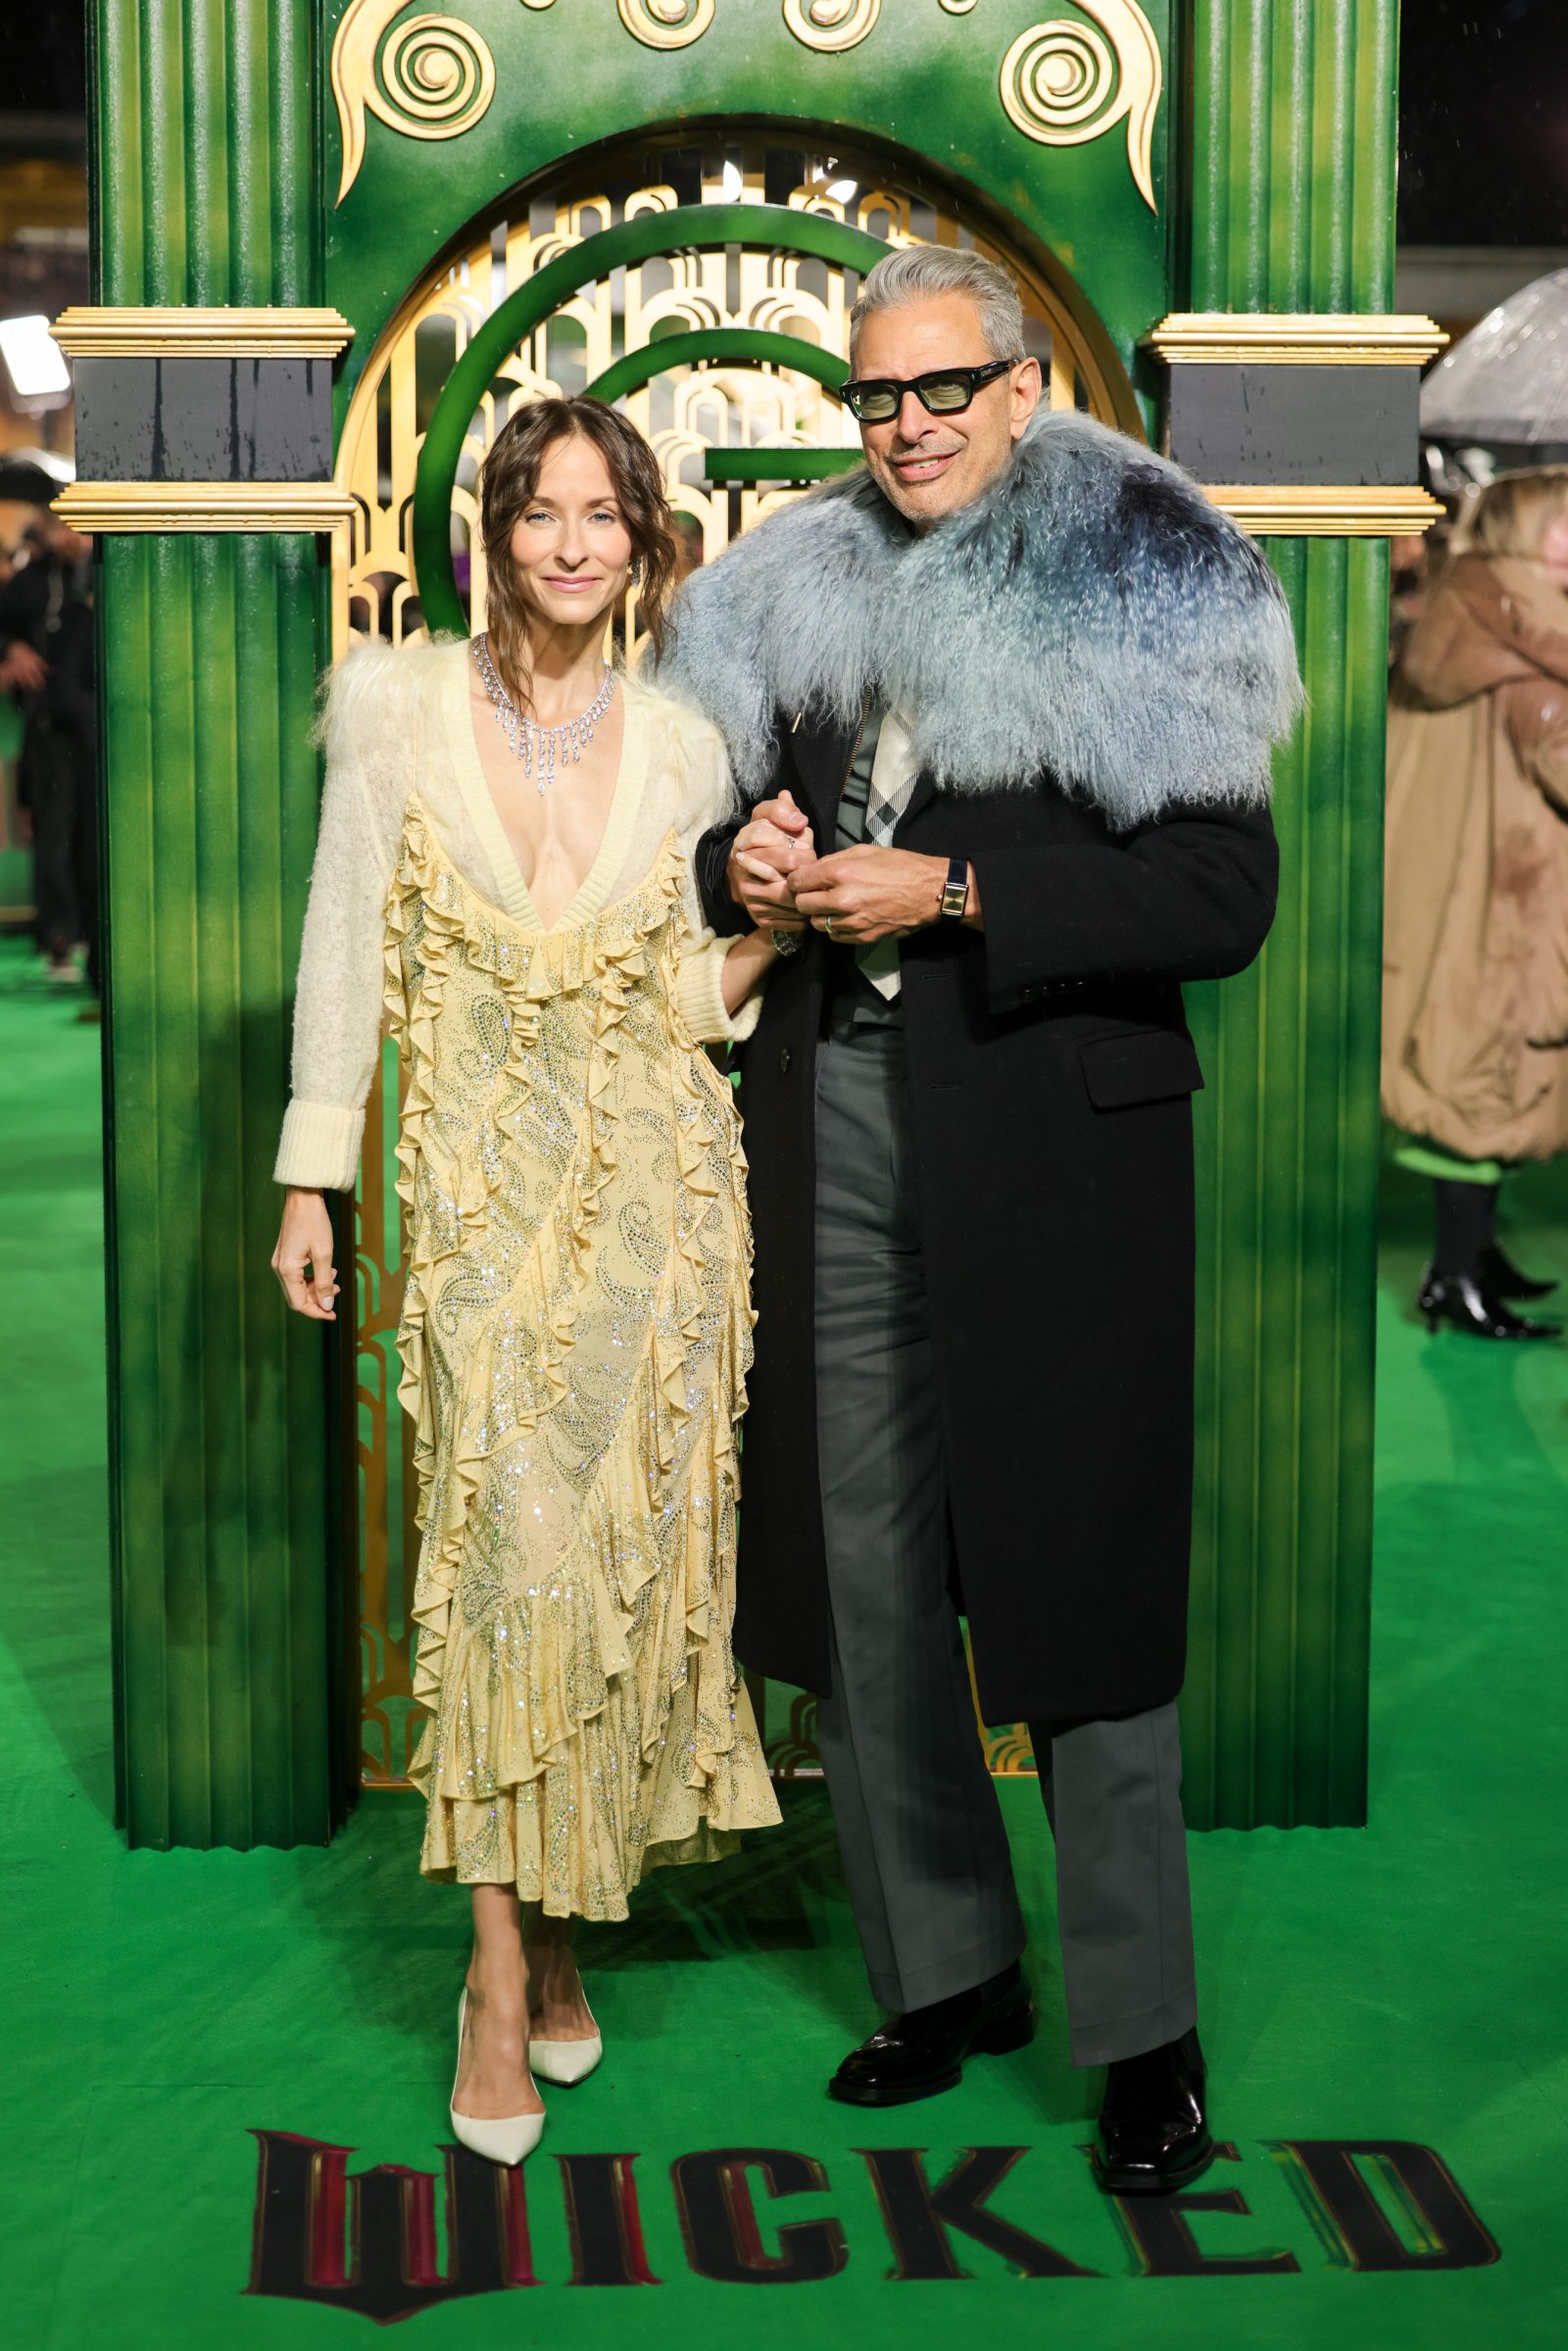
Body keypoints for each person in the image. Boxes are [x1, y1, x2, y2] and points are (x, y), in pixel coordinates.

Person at [661, 246, 1299, 2194]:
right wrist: (745, 857)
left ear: (1023, 388)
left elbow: (1221, 894)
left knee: (1077, 1571)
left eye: (944, 387)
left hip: (1055, 1146)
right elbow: (708, 843)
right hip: (836, 1114)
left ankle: (1144, 2030)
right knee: (860, 1567)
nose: (908, 424)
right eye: (875, 395)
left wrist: (957, 897)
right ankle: (944, 1971)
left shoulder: (1148, 563)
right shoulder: (785, 583)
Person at [270, 397, 783, 2166]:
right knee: (500, 1561)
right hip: (481, 1207)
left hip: (657, 1206)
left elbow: (680, 1001)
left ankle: (558, 1921)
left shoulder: (686, 746)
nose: (570, 542)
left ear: (642, 543)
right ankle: (497, 1974)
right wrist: (313, 1173)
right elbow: (344, 944)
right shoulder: (395, 712)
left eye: (601, 514)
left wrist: (771, 932)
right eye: (539, 510)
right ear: (491, 533)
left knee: (609, 1578)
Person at [1383, 466, 1568, 1340]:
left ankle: (1470, 1260)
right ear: (1525, 535)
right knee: (1482, 1086)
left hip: (1468, 893)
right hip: (1506, 906)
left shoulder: (1465, 616)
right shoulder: (1531, 642)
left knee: (1475, 1078)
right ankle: (1455, 1277)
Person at [0, 512, 97, 993]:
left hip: (100, 726)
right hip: (50, 726)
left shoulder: (106, 568)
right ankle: (59, 937)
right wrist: (10, 650)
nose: (71, 534)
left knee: (94, 836)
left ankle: (93, 938)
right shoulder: (32, 581)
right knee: (54, 832)